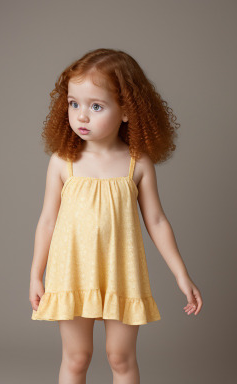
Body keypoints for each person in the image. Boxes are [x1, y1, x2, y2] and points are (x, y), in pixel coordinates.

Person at [29, 48, 203, 384]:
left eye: (96, 106)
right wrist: (36, 274)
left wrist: (182, 275)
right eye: (73, 103)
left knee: (120, 358)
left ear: (126, 111)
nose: (81, 116)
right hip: (72, 273)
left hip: (121, 271)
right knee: (76, 358)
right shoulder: (62, 162)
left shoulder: (137, 164)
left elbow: (156, 221)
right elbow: (47, 220)